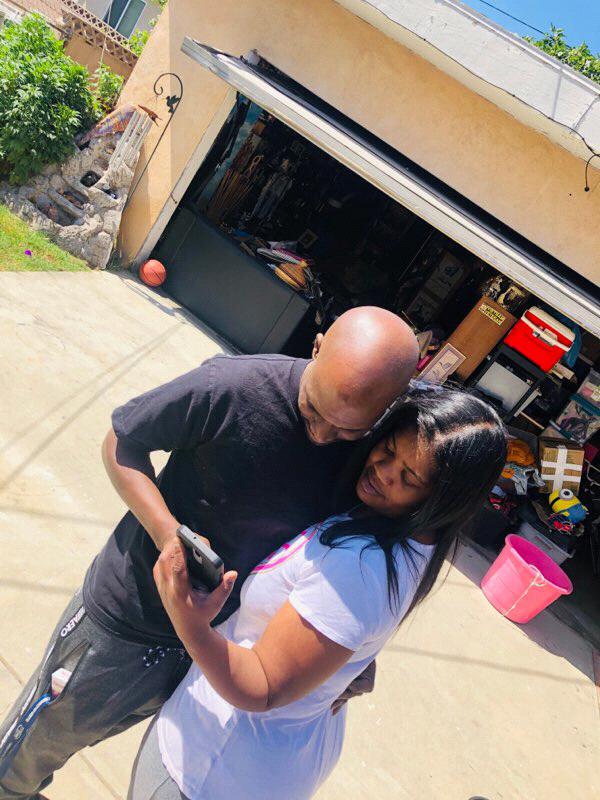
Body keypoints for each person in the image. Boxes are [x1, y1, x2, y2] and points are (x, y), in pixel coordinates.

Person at [0, 307, 419, 800]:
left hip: (218, 652)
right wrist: (167, 535)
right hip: (129, 617)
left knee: (120, 742)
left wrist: (354, 659)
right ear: (317, 345)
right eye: (313, 411)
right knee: (33, 752)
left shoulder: (377, 452)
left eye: (347, 431)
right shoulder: (233, 387)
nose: (323, 435)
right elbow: (122, 443)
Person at [127, 386, 507, 800]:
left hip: (211, 765)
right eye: (388, 450)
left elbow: (262, 687)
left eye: (409, 478)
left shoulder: (358, 567)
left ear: (444, 502)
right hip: (272, 756)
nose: (384, 472)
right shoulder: (416, 541)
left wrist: (188, 619)